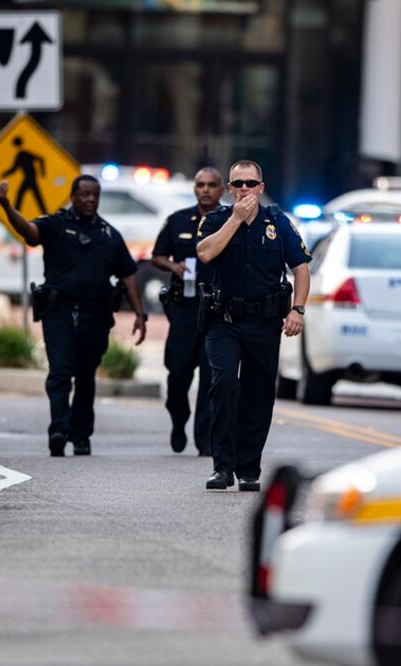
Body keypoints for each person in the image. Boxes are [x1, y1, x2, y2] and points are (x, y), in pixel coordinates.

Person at [0, 175, 147, 457]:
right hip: (59, 311)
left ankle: (81, 434)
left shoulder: (109, 234)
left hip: (95, 314)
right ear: (73, 196)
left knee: (86, 375)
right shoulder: (56, 224)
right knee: (60, 372)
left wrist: (140, 313)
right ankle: (59, 430)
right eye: (85, 194)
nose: (90, 199)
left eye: (95, 195)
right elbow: (29, 233)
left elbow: (129, 274)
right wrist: (6, 206)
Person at [196, 160, 310, 491]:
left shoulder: (278, 222)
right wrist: (235, 219)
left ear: (261, 187)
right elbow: (205, 254)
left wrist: (298, 309)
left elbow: (301, 267)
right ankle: (222, 467)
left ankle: (248, 469)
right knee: (224, 384)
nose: (244, 189)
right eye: (238, 183)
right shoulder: (216, 219)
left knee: (258, 394)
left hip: (264, 322)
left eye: (250, 183)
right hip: (224, 320)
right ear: (229, 188)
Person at [151, 167, 224, 456]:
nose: (205, 190)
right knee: (178, 374)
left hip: (216, 309)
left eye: (211, 185)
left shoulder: (230, 220)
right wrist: (174, 267)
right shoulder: (178, 220)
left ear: (221, 189)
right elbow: (157, 256)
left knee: (210, 377)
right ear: (195, 188)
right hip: (184, 308)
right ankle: (178, 420)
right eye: (200, 185)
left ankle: (204, 440)